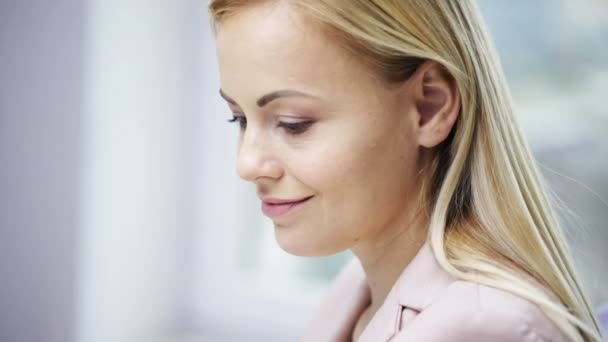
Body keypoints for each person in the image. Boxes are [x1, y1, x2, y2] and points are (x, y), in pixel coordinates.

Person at [208, 0, 602, 341]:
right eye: (239, 119)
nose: (247, 164)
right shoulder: (359, 287)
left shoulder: (483, 329)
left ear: (429, 107)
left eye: (294, 123)